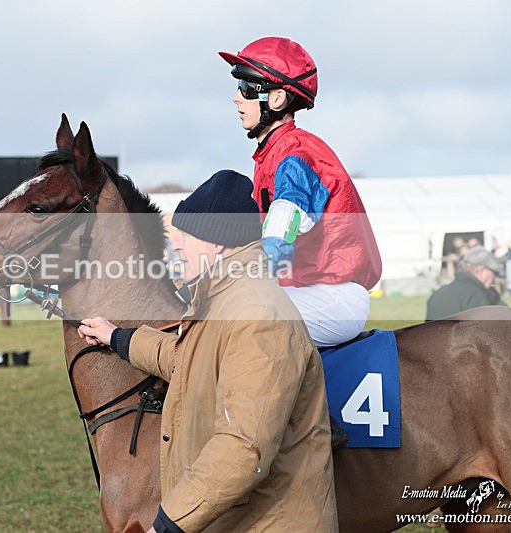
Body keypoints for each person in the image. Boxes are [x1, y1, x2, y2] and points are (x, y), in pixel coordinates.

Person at [78, 170, 337, 532]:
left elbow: (243, 448)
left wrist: (167, 524)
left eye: (185, 234)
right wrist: (119, 337)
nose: (176, 245)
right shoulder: (224, 301)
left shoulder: (256, 315)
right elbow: (187, 361)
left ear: (217, 242)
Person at [219, 36, 382, 347]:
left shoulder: (295, 151)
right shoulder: (274, 151)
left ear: (277, 98)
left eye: (246, 88)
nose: (236, 98)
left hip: (332, 297)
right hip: (309, 291)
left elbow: (281, 229)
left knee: (235, 321)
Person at [425, 246, 506, 321]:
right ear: (481, 271)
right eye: (494, 274)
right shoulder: (478, 296)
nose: (494, 280)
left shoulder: (437, 294)